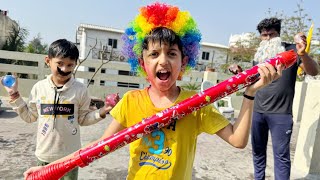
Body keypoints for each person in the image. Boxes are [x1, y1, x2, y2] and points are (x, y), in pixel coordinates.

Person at [24, 3, 283, 180]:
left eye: (172, 54)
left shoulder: (197, 104)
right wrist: (50, 169)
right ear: (142, 62)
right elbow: (95, 147)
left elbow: (238, 141)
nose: (163, 61)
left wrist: (250, 95)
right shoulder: (131, 101)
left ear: (184, 60)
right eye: (154, 54)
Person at [1, 39, 119, 180]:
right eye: (60, 63)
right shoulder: (39, 88)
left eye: (70, 65)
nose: (65, 69)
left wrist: (103, 111)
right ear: (48, 61)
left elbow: (83, 119)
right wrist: (14, 94)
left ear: (75, 64)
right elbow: (29, 117)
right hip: (44, 155)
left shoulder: (80, 90)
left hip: (70, 157)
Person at [230, 18, 319, 180]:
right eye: (264, 35)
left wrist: (304, 54)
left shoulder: (292, 51)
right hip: (257, 111)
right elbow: (252, 82)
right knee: (257, 153)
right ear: (261, 37)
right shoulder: (259, 55)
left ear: (278, 34)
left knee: (281, 156)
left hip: (281, 114)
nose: (268, 38)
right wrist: (240, 73)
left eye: (272, 34)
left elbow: (314, 71)